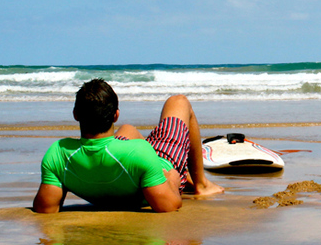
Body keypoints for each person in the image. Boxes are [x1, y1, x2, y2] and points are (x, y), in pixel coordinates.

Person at [33, 78, 223, 213]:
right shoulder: (140, 153)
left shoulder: (58, 153)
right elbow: (168, 205)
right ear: (115, 114)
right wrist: (172, 178)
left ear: (75, 114)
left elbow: (45, 208)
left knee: (127, 130)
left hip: (125, 163)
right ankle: (201, 184)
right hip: (156, 168)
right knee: (179, 101)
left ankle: (150, 168)